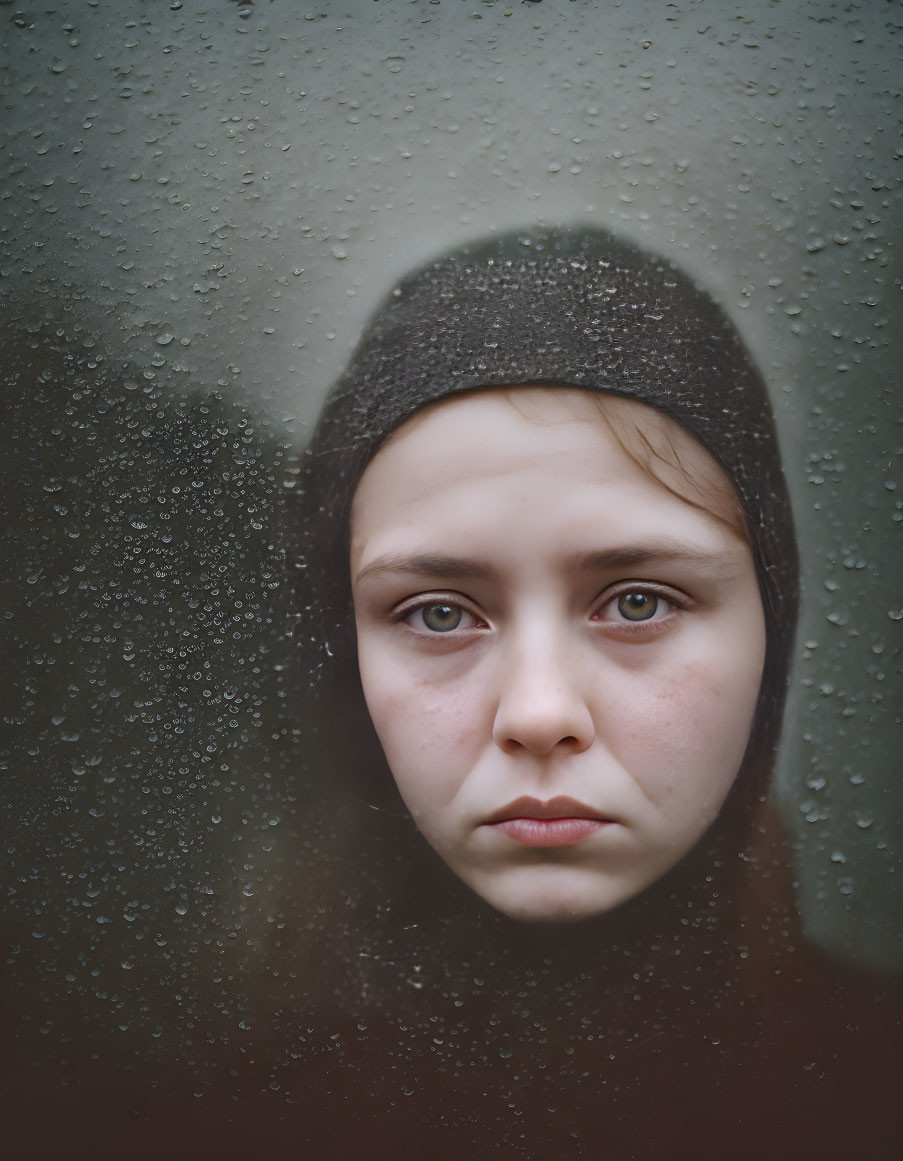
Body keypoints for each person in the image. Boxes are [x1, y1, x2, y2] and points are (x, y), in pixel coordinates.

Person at [285, 227, 900, 1159]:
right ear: (344, 664)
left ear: (770, 640)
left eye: (639, 600)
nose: (538, 715)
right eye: (439, 614)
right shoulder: (152, 1126)